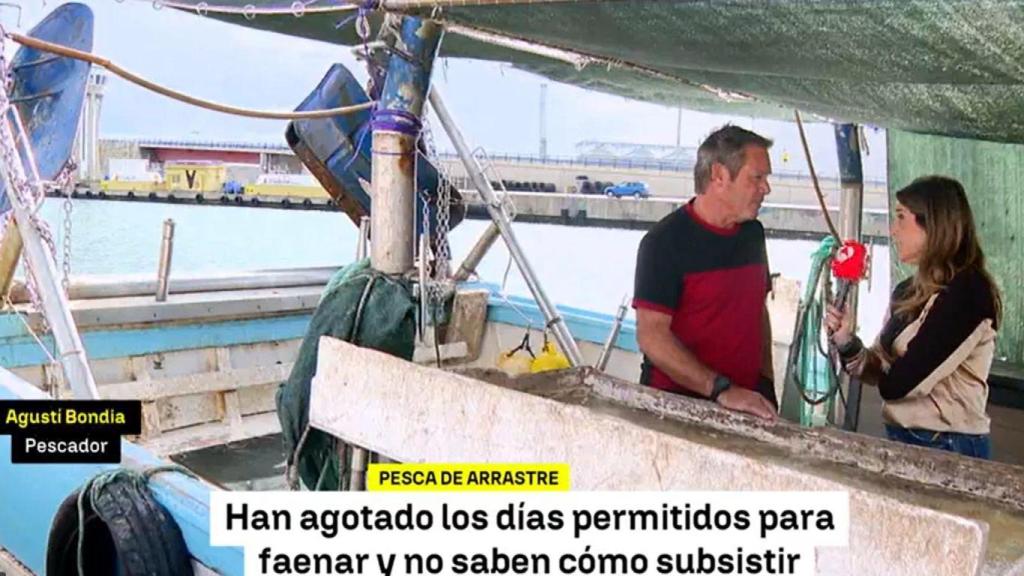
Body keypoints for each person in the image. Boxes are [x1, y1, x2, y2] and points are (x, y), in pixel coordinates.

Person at [826, 175, 1001, 459]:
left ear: (934, 225)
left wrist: (883, 370)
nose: (893, 231)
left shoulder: (968, 293)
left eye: (901, 218)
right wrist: (847, 340)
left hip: (949, 445)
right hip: (904, 437)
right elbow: (879, 366)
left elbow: (901, 383)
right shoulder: (907, 291)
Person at [633, 125, 777, 419]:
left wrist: (766, 381)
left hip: (746, 400)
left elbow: (757, 311)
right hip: (674, 408)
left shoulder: (753, 234)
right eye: (757, 178)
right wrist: (721, 390)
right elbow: (652, 336)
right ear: (719, 175)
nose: (766, 188)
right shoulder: (663, 243)